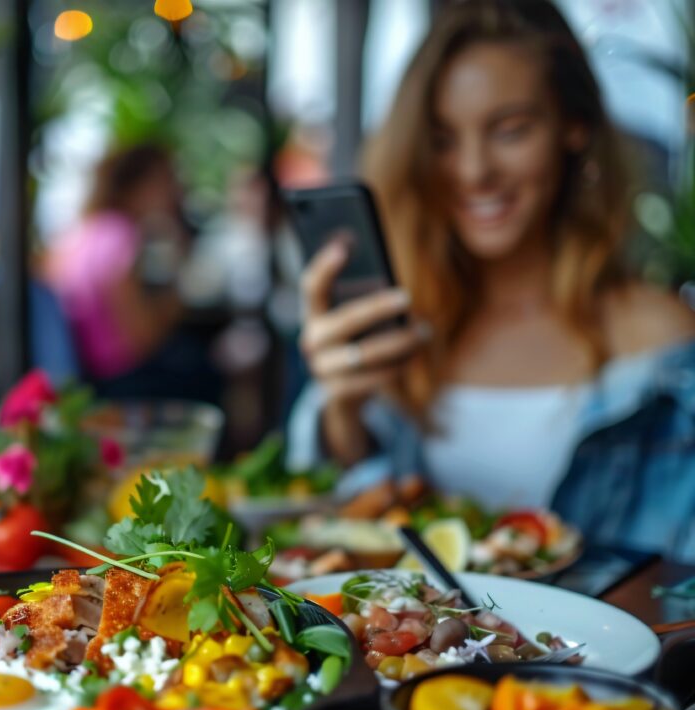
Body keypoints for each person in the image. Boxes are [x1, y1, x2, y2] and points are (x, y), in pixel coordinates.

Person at [290, 0, 695, 560]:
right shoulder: (402, 327)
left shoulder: (664, 350)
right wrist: (342, 411)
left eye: (510, 130)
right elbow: (343, 544)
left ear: (573, 127)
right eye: (443, 139)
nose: (474, 170)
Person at [44, 143, 220, 402]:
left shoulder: (82, 232)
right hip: (120, 383)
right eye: (167, 180)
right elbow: (141, 338)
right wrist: (177, 297)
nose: (177, 192)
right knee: (205, 369)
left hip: (86, 378)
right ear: (138, 186)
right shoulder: (120, 236)